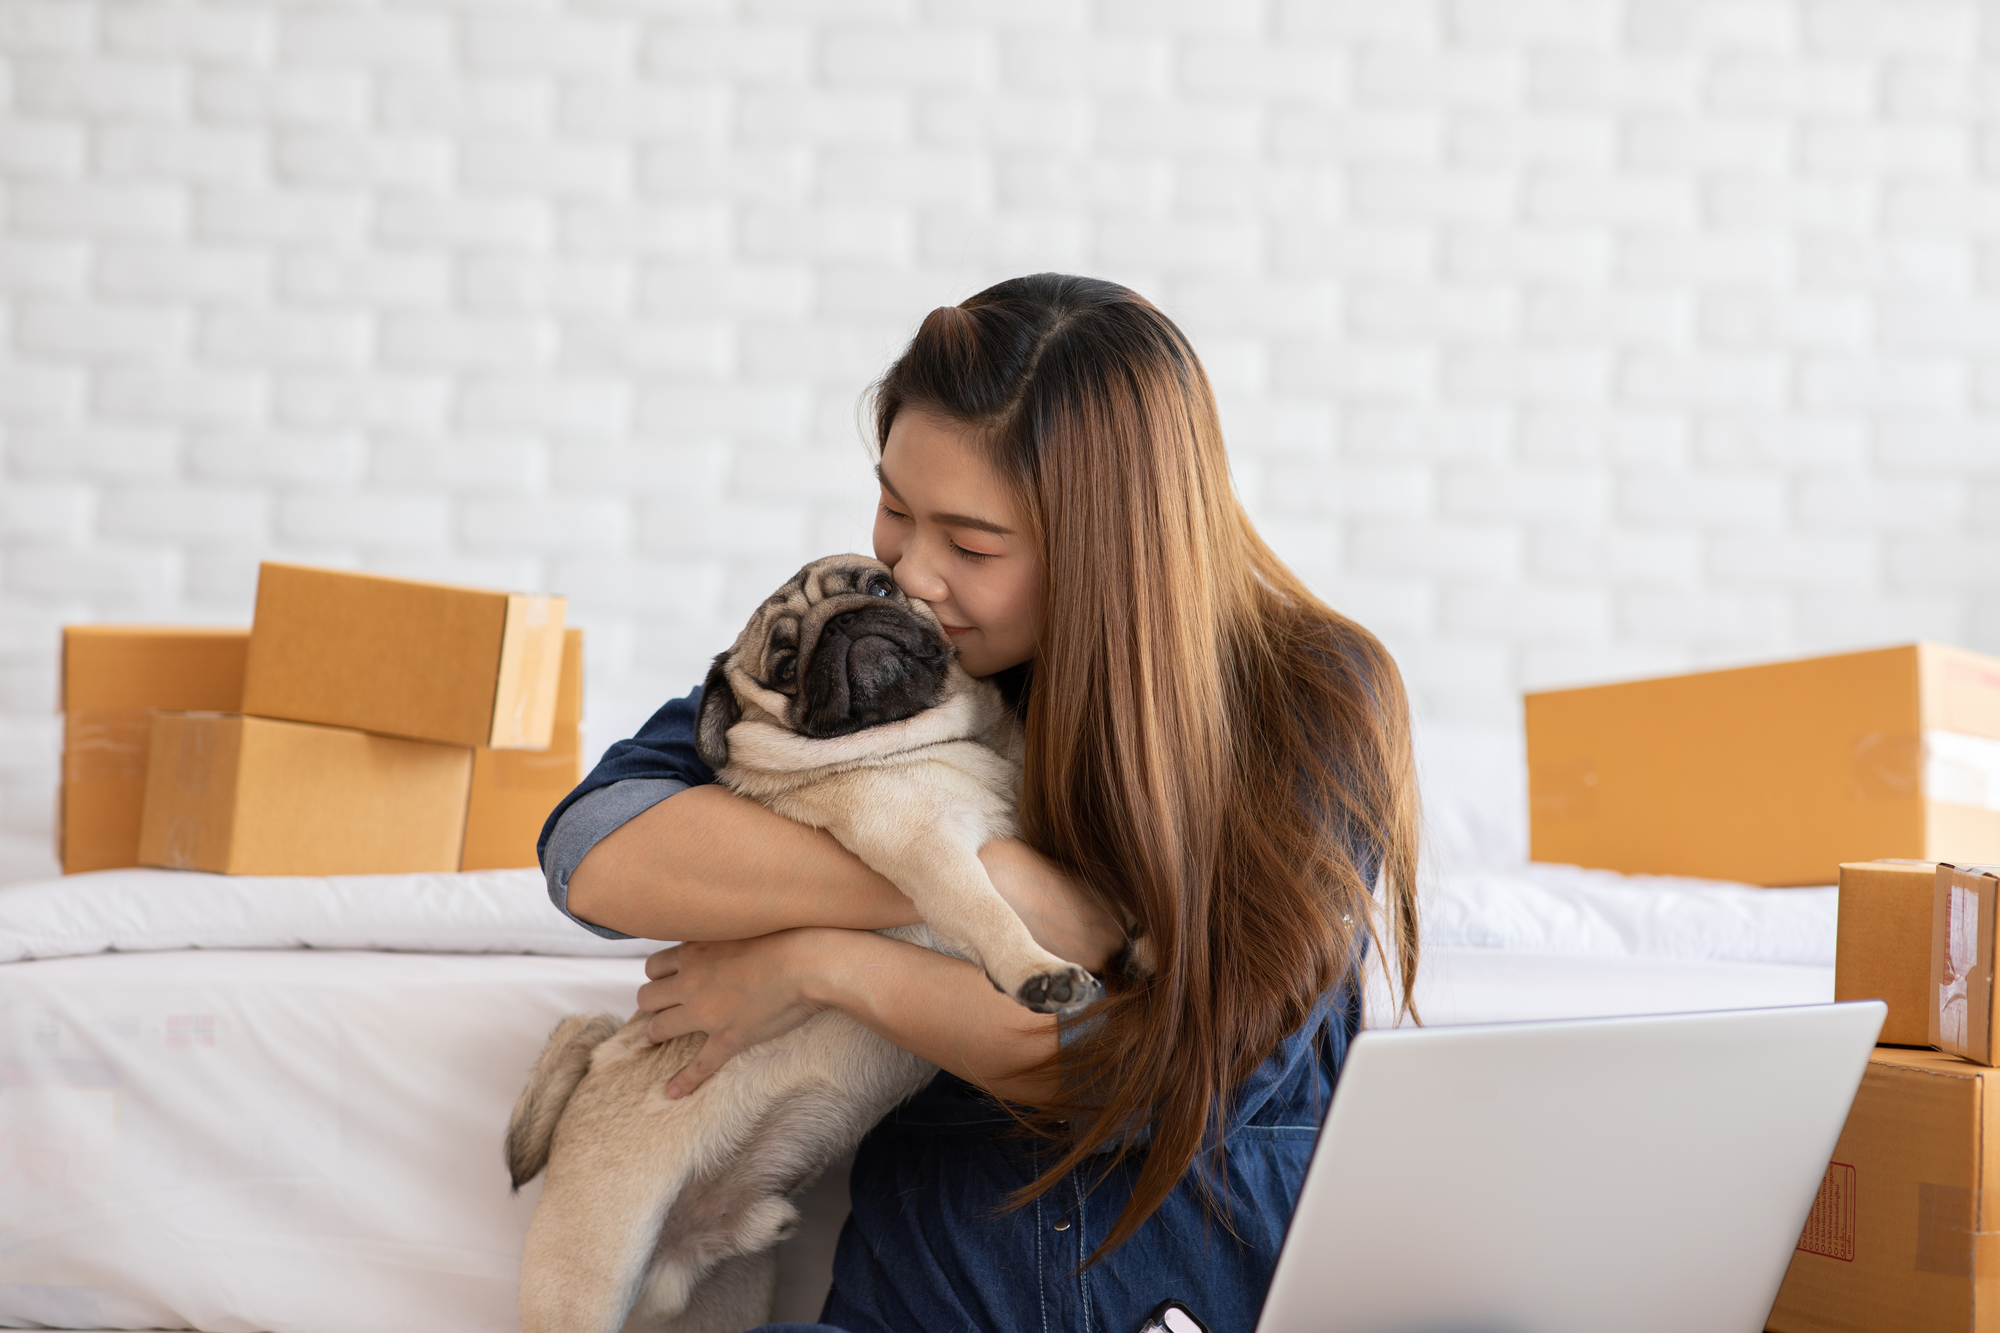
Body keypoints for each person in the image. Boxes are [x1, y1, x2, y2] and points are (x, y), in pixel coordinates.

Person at [537, 273, 1421, 1333]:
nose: (909, 573)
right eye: (892, 509)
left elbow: (1164, 1078)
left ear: (1110, 550)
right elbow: (592, 848)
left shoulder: (1311, 698)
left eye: (970, 544)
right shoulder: (887, 665)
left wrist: (826, 963)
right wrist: (991, 880)